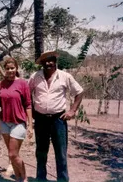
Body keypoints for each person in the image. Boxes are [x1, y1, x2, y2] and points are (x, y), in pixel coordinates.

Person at [28, 51, 84, 182]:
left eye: (51, 60)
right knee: (41, 152)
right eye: (45, 61)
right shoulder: (35, 77)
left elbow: (79, 92)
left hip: (58, 120)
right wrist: (32, 111)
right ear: (41, 63)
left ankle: (62, 180)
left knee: (61, 153)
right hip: (40, 119)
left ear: (55, 61)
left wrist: (72, 110)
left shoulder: (65, 76)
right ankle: (41, 179)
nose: (48, 63)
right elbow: (26, 93)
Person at [0, 57, 33, 182]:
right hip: (5, 122)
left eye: (12, 68)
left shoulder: (22, 83)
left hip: (18, 122)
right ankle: (17, 178)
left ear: (16, 68)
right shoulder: (2, 83)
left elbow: (28, 105)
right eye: (7, 68)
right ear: (4, 70)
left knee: (12, 155)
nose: (10, 71)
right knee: (12, 154)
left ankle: (24, 178)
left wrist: (30, 125)